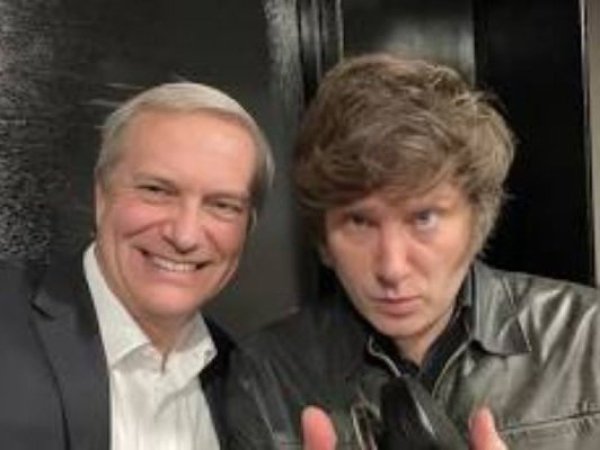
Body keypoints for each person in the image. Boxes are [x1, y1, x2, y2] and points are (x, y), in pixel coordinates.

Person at [224, 53, 600, 450]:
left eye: (424, 218)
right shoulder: (267, 371)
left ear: (478, 223)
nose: (392, 268)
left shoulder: (589, 336)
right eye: (359, 222)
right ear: (324, 242)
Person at [0, 82, 273, 449]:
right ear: (102, 195)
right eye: (156, 191)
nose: (185, 235)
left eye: (223, 205)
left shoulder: (245, 381)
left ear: (248, 227)